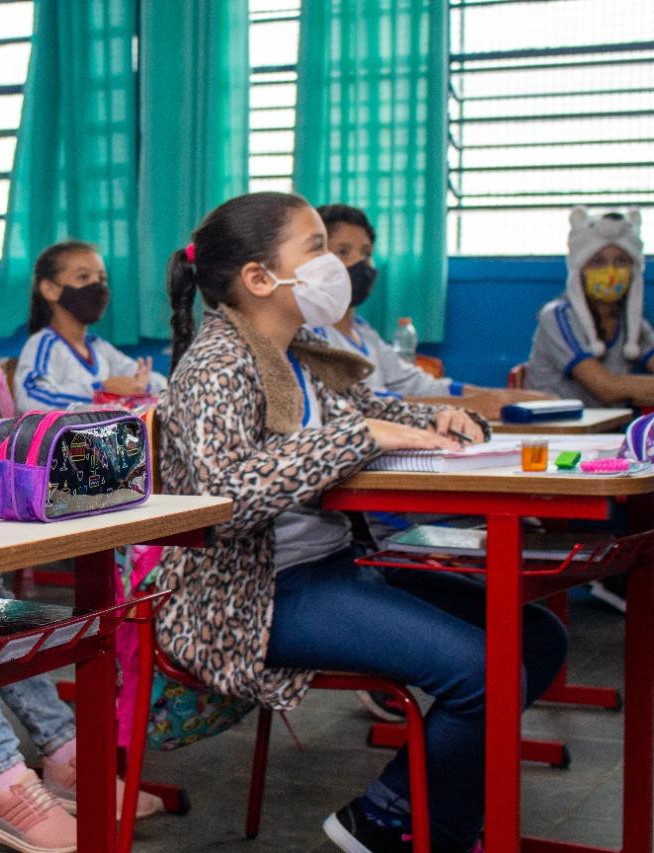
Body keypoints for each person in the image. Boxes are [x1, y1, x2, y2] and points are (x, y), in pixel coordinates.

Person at [156, 191, 567, 853]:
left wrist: (434, 420)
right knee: (484, 670)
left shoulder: (304, 350)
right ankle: (407, 827)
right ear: (261, 278)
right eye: (316, 249)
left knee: (536, 636)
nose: (334, 268)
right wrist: (359, 436)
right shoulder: (215, 365)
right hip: (252, 597)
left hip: (331, 570)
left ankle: (396, 808)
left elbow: (371, 410)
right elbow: (223, 495)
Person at [309, 204, 548, 420]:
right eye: (343, 252)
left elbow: (416, 384)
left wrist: (497, 396)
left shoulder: (364, 333)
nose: (360, 263)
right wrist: (464, 406)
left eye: (367, 253)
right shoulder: (312, 333)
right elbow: (358, 401)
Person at [14, 241, 166, 412]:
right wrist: (100, 389)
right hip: (69, 439)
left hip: (99, 438)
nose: (97, 286)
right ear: (50, 289)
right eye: (83, 277)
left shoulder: (98, 347)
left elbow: (151, 381)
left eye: (102, 279)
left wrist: (141, 386)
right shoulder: (43, 345)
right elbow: (31, 398)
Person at [525, 207, 653, 407]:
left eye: (620, 261)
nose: (611, 273)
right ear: (580, 269)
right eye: (598, 262)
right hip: (559, 433)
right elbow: (606, 388)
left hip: (610, 433)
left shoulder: (633, 324)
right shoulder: (557, 316)